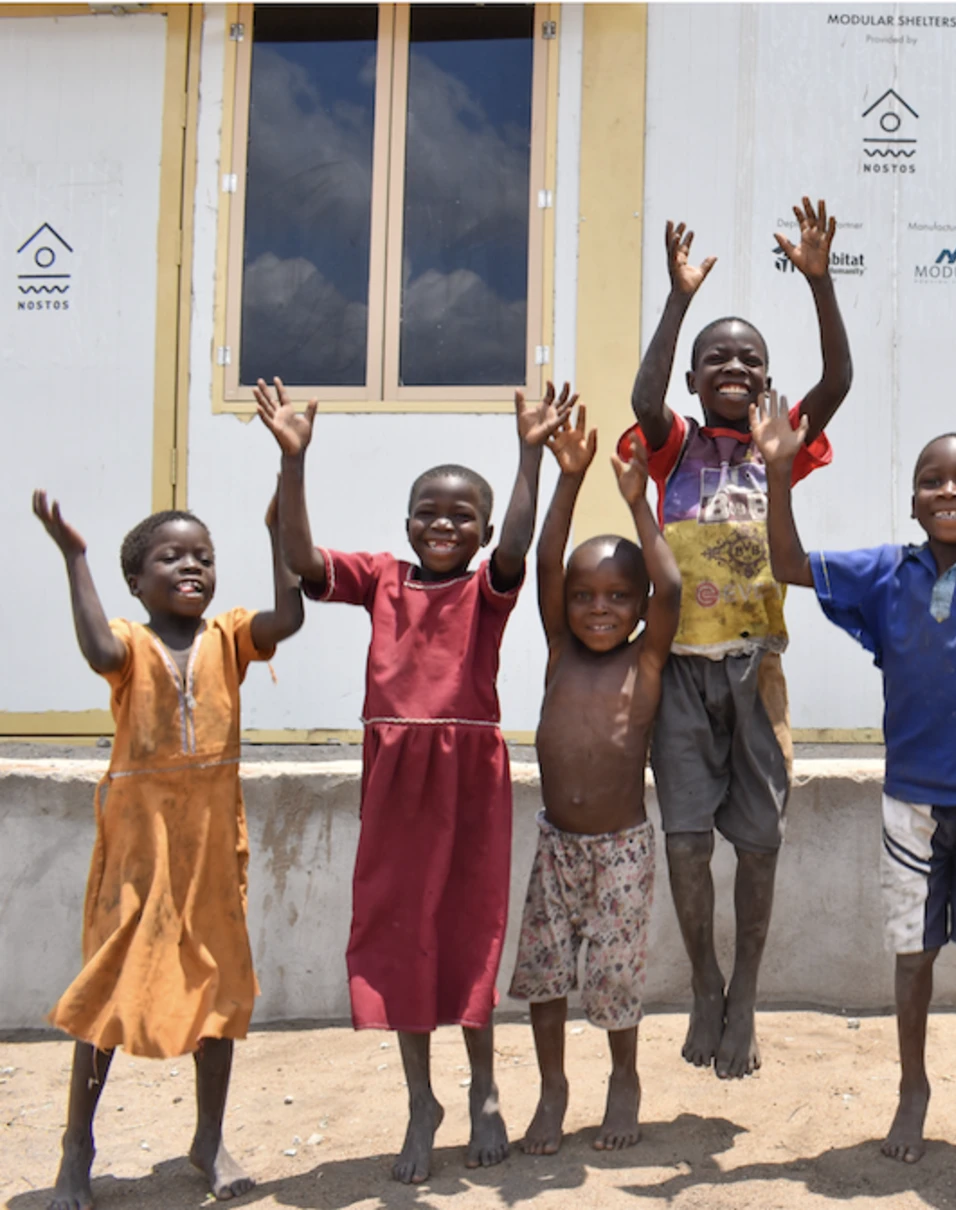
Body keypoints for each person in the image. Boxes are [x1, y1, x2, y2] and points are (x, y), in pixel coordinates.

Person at [755, 315, 956, 1164]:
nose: (950, 492)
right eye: (933, 480)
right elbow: (788, 562)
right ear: (911, 500)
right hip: (910, 799)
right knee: (911, 954)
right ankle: (913, 1089)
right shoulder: (884, 572)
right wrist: (779, 471)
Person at [255, 376, 573, 1182]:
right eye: (428, 513)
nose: (442, 524)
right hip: (396, 777)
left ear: (482, 527)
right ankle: (421, 1100)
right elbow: (300, 559)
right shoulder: (382, 581)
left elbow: (518, 547)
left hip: (468, 775)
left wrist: (528, 452)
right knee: (403, 933)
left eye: (460, 514)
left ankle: (487, 1090)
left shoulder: (488, 591)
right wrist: (295, 461)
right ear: (405, 525)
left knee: (469, 928)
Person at [619, 196, 852, 1080]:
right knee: (685, 841)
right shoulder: (672, 444)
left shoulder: (779, 445)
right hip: (678, 675)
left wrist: (821, 284)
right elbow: (644, 395)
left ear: (766, 380)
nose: (731, 366)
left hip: (757, 675)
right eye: (714, 358)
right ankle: (706, 978)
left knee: (758, 843)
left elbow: (838, 381)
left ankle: (746, 988)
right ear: (693, 379)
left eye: (748, 359)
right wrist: (678, 299)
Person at [32, 486, 304, 1210]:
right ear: (136, 580)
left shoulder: (231, 637)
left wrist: (279, 530)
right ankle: (76, 1151)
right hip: (137, 854)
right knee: (108, 995)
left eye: (204, 557)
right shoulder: (128, 644)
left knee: (216, 992)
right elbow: (95, 647)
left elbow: (291, 616)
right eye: (171, 556)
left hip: (212, 851)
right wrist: (75, 558)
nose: (192, 566)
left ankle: (208, 1140)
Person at [510, 408, 680, 1155]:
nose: (598, 608)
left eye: (616, 597)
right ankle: (553, 1089)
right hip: (557, 845)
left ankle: (623, 1079)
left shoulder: (643, 664)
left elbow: (669, 582)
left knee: (611, 978)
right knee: (545, 976)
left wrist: (640, 502)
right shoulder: (560, 652)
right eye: (585, 597)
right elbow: (549, 561)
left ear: (638, 609)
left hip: (621, 850)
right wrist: (567, 478)